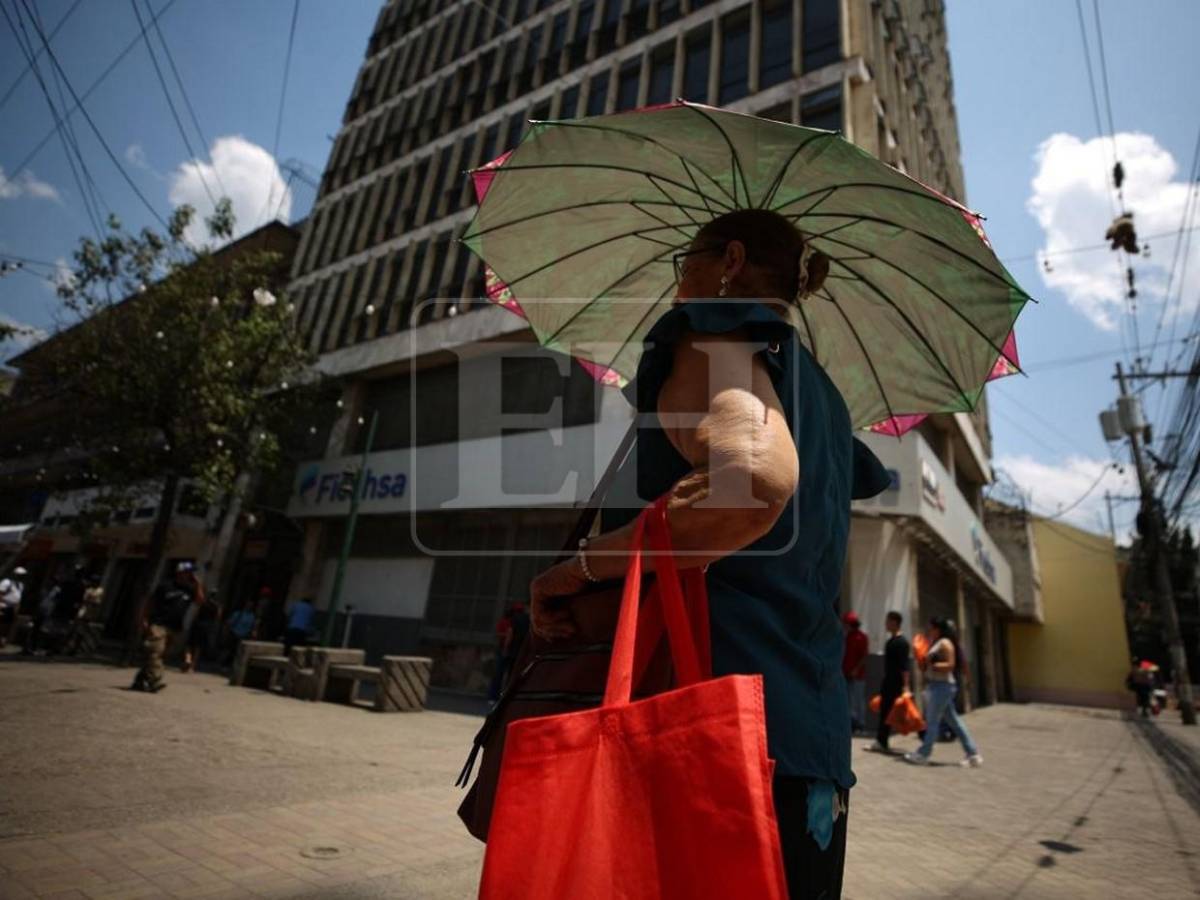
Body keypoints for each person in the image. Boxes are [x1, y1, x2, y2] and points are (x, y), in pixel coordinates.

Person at [526, 209, 892, 899]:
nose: (676, 283)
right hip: (809, 752)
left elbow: (750, 484)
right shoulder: (825, 399)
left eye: (683, 263)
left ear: (727, 260)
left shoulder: (713, 341)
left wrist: (577, 568)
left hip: (708, 738)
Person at [904, 618, 983, 767]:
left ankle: (923, 754)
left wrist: (931, 664)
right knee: (955, 723)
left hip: (942, 687)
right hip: (938, 686)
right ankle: (973, 754)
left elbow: (950, 665)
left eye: (931, 628)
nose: (929, 630)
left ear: (938, 629)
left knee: (932, 721)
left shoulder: (945, 643)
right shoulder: (936, 643)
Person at [131, 573, 191, 692]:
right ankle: (155, 680)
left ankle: (140, 680)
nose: (188, 576)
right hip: (159, 624)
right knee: (155, 651)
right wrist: (144, 618)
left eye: (190, 574)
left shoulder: (189, 590)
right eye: (186, 573)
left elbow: (200, 600)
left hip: (174, 627)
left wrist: (197, 583)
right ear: (179, 574)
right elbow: (150, 602)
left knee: (159, 655)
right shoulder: (165, 586)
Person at [866, 611, 910, 753]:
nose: (886, 624)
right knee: (886, 711)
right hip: (888, 682)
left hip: (896, 684)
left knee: (905, 711)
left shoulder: (901, 643)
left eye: (888, 621)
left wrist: (906, 686)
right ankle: (882, 741)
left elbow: (905, 667)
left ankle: (924, 736)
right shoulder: (891, 641)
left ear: (895, 622)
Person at [841, 612, 869, 734]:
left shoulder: (861, 637)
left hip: (857, 676)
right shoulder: (846, 637)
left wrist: (856, 669)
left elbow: (864, 656)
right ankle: (852, 724)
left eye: (845, 623)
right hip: (846, 674)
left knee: (858, 701)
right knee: (849, 701)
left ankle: (861, 725)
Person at [223, 597, 258, 667]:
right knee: (230, 651)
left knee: (239, 653)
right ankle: (225, 664)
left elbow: (253, 627)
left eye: (251, 605)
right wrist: (226, 632)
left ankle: (234, 665)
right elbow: (229, 623)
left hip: (244, 637)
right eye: (248, 605)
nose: (249, 606)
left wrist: (253, 635)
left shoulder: (252, 617)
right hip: (235, 635)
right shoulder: (238, 614)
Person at [0, 566, 25, 647]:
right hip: (3, 605)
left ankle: (3, 640)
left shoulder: (21, 585)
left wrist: (17, 609)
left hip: (12, 607)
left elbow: (18, 598)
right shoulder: (7, 582)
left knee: (7, 625)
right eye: (19, 575)